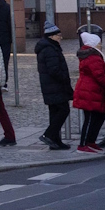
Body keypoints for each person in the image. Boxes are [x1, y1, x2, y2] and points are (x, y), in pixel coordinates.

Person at [71, 30, 105, 151]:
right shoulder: (93, 57)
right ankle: (83, 145)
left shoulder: (90, 55)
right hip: (90, 91)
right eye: (99, 43)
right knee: (90, 118)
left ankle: (90, 141)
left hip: (91, 90)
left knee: (99, 116)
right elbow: (99, 77)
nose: (100, 45)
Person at [33, 23, 73, 151]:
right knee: (63, 110)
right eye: (58, 35)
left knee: (55, 112)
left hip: (50, 86)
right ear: (51, 36)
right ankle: (48, 135)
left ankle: (55, 142)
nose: (60, 37)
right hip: (56, 86)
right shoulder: (50, 49)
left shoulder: (48, 47)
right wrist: (64, 79)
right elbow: (54, 70)